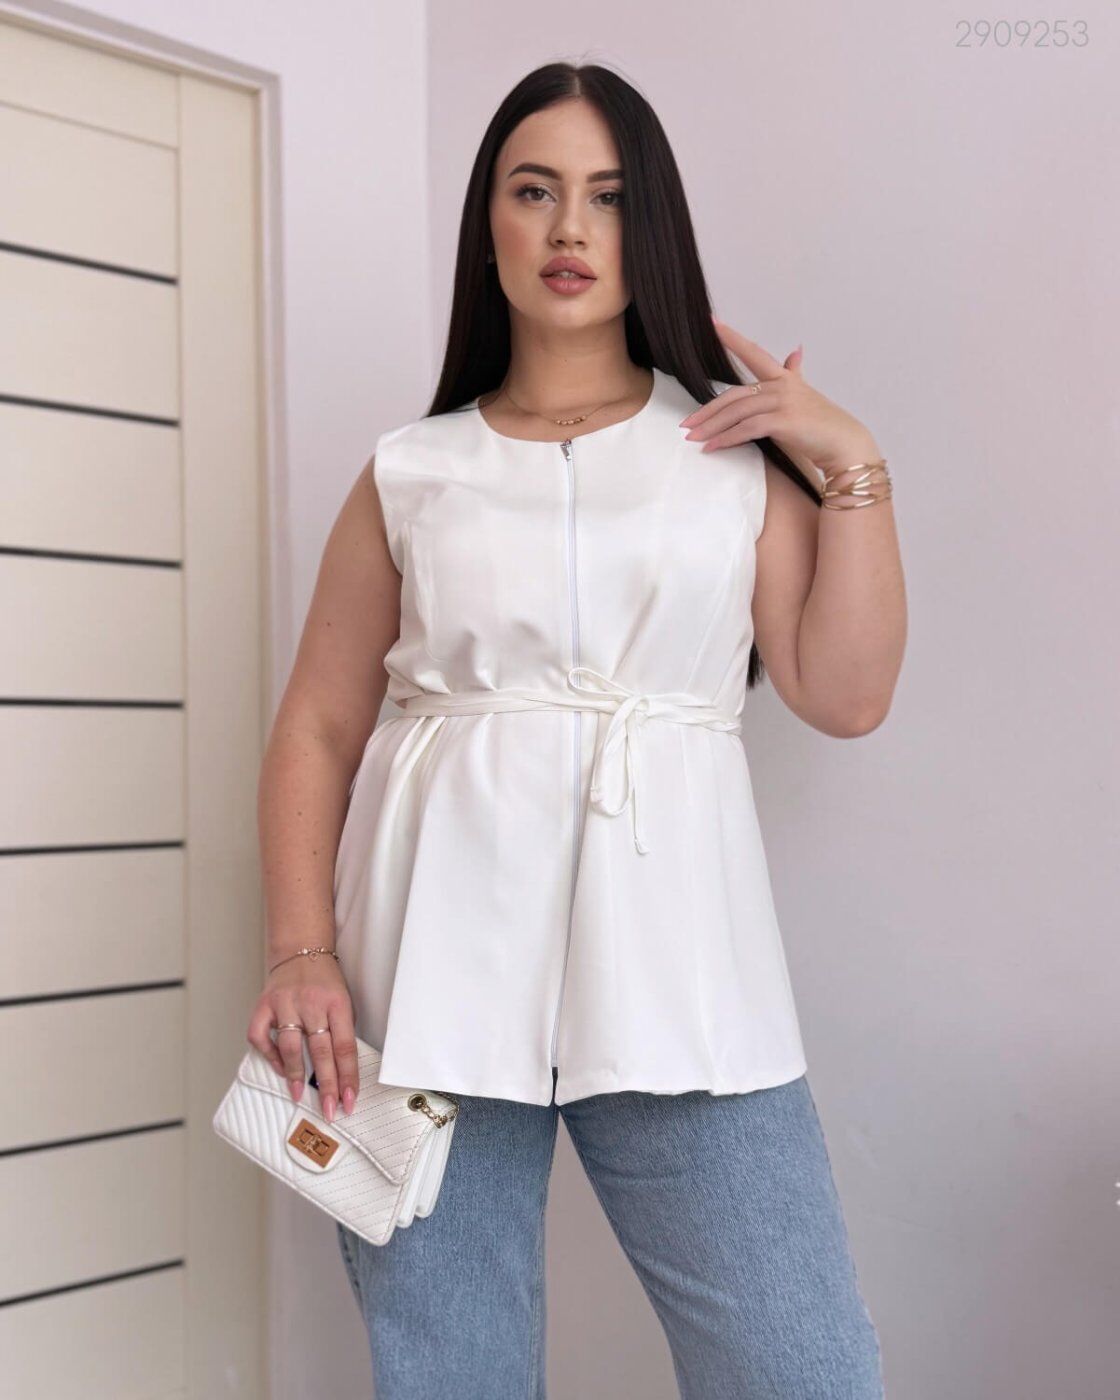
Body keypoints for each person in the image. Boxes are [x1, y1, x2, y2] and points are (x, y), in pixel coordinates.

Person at [247, 60, 905, 1400]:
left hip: (685, 970)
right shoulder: (412, 471)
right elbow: (317, 724)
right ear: (487, 220)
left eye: (607, 197)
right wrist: (301, 951)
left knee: (804, 1369)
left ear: (649, 224)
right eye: (533, 190)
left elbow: (844, 696)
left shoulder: (730, 460)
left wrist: (851, 467)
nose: (568, 228)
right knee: (451, 1375)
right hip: (422, 978)